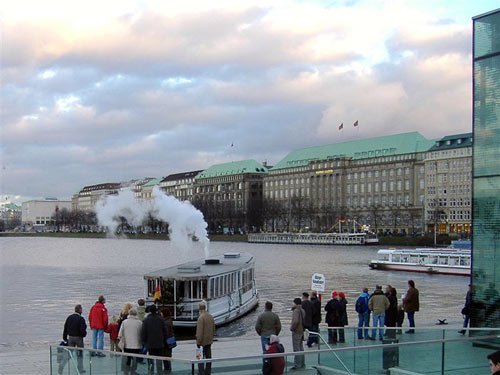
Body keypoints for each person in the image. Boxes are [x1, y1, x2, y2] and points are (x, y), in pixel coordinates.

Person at [59, 304, 87, 374]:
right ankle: (80, 368)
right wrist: (84, 334)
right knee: (80, 354)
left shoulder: (69, 317)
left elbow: (65, 327)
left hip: (70, 338)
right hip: (79, 338)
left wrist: (65, 338)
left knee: (69, 353)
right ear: (80, 310)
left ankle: (62, 364)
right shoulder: (81, 319)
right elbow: (82, 330)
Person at [141, 304, 167, 374]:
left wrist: (144, 342)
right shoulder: (161, 319)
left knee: (151, 359)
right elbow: (165, 331)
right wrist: (164, 340)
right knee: (159, 359)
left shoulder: (146, 320)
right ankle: (159, 372)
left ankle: (151, 372)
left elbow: (143, 332)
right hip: (160, 342)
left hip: (150, 343)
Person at [118, 308, 143, 375]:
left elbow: (120, 334)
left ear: (129, 314)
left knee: (127, 358)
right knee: (135, 359)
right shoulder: (140, 322)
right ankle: (133, 371)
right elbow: (142, 334)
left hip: (127, 344)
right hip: (137, 344)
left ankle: (126, 371)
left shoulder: (124, 322)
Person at [196, 302, 215, 375]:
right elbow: (213, 329)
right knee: (208, 357)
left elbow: (199, 332)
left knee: (199, 358)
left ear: (199, 309)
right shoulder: (210, 316)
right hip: (209, 341)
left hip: (201, 342)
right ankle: (208, 372)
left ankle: (201, 372)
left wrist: (198, 341)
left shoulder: (201, 318)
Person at [290, 297, 305, 370]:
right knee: (301, 347)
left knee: (296, 348)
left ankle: (297, 365)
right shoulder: (302, 310)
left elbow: (295, 321)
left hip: (296, 331)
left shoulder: (296, 311)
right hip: (302, 330)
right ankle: (302, 363)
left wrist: (292, 328)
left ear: (295, 303)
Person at [161, 307, 175, 373]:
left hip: (166, 343)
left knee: (165, 357)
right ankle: (168, 369)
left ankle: (167, 371)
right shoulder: (169, 320)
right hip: (170, 341)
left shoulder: (165, 322)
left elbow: (165, 333)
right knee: (168, 356)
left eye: (161, 313)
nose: (161, 314)